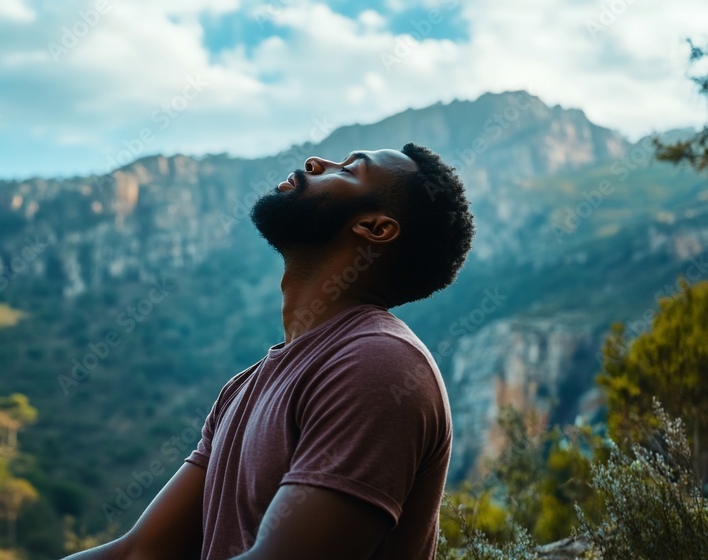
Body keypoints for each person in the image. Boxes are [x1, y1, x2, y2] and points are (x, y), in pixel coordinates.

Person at [64, 143, 475, 559]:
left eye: (351, 170)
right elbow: (140, 552)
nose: (316, 162)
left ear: (375, 228)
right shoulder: (243, 388)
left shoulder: (378, 364)